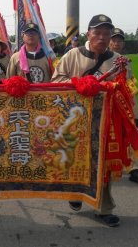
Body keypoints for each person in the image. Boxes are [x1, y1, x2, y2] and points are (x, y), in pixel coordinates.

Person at [51, 14, 131, 227]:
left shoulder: (117, 61)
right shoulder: (72, 56)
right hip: (75, 121)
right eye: (98, 33)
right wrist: (80, 84)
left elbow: (129, 89)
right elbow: (56, 81)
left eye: (107, 33)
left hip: (107, 121)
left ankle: (105, 208)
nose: (102, 38)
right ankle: (76, 194)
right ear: (89, 34)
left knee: (104, 165)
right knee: (76, 159)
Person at [109, 28, 138, 182]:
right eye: (114, 40)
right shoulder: (104, 59)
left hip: (126, 104)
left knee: (130, 134)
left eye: (119, 41)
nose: (116, 43)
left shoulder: (125, 60)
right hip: (109, 105)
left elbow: (130, 81)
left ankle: (134, 168)